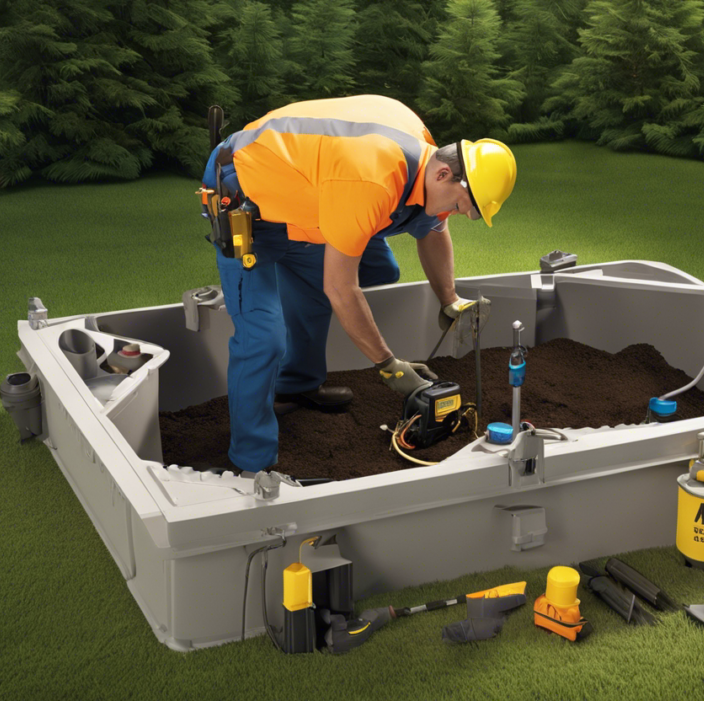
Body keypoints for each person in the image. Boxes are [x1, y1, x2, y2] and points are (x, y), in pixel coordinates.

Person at [199, 94, 517, 473]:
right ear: (444, 175)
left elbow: (433, 229)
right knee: (264, 337)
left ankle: (294, 386)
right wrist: (389, 366)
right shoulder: (372, 177)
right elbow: (341, 288)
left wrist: (449, 299)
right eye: (460, 206)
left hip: (309, 195)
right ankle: (250, 464)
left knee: (371, 272)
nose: (454, 215)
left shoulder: (426, 155)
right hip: (245, 192)